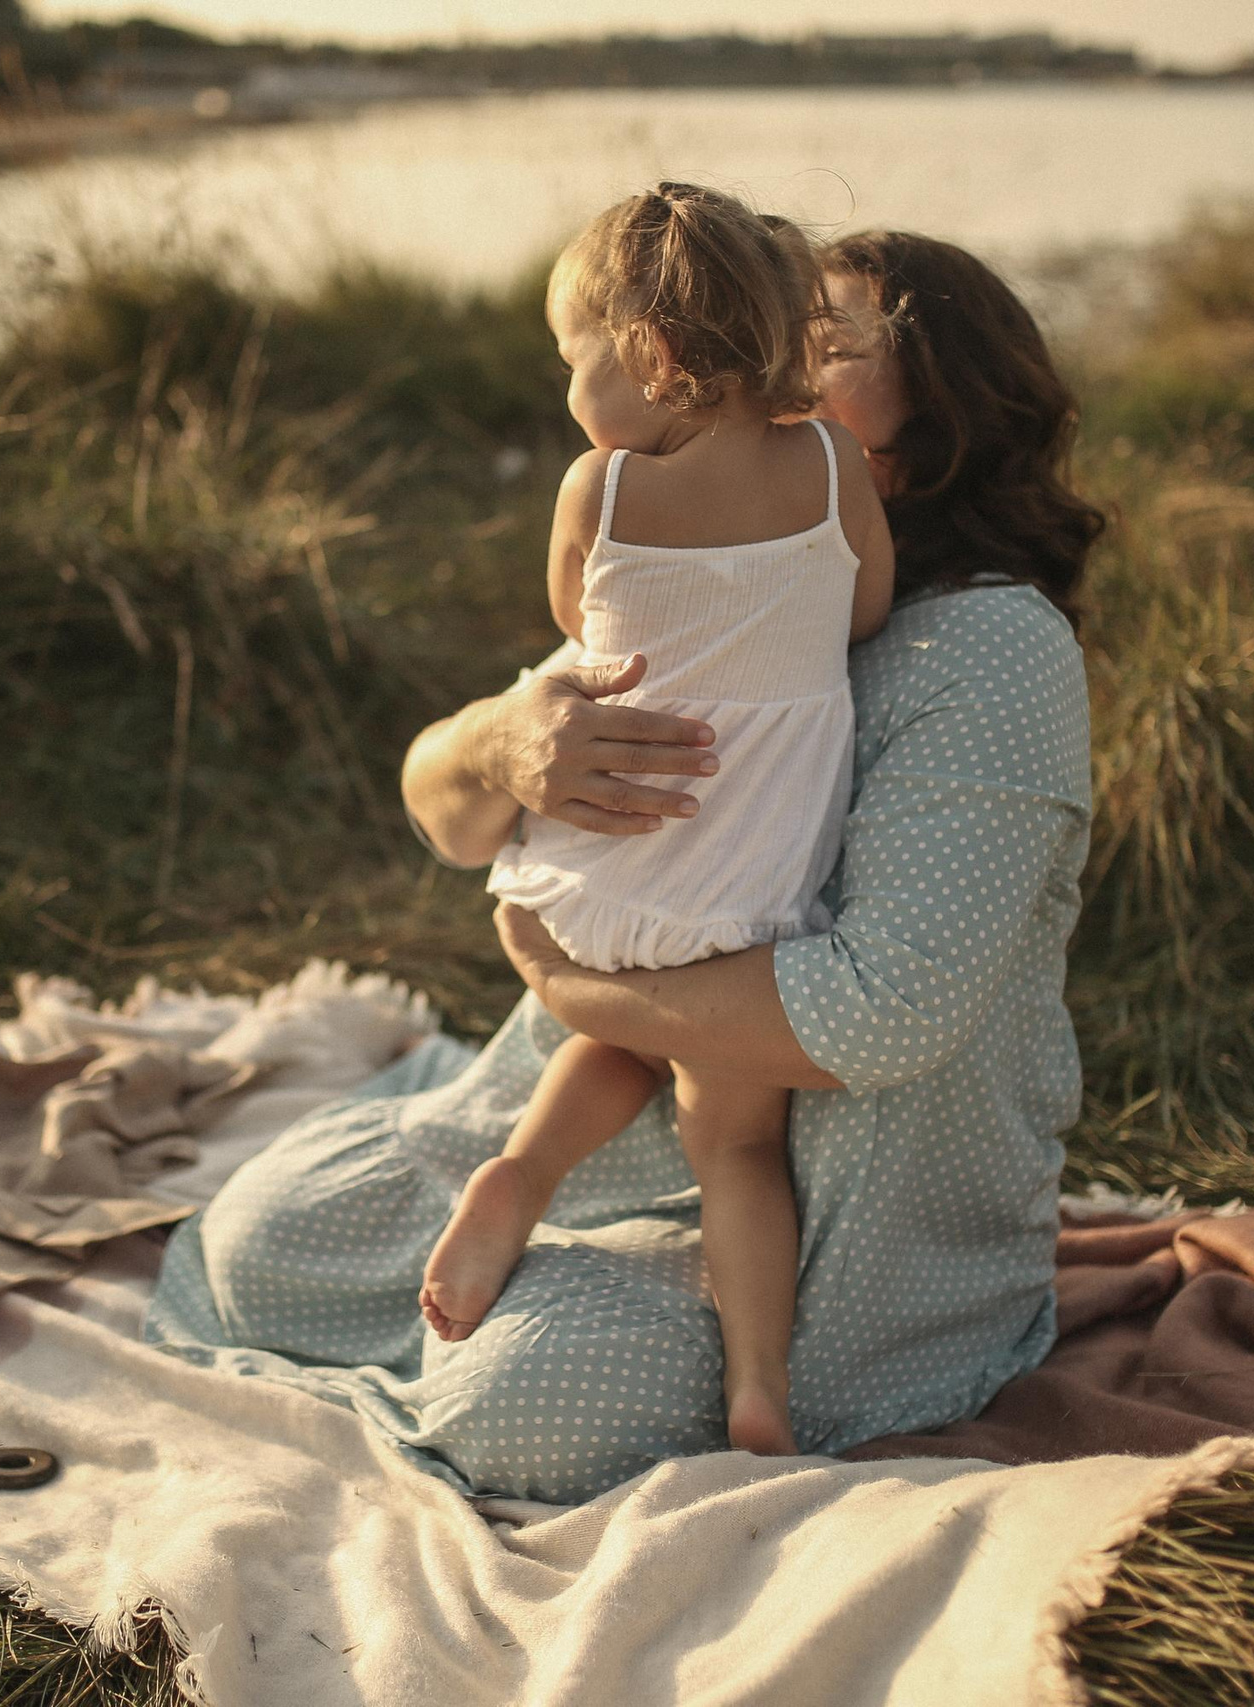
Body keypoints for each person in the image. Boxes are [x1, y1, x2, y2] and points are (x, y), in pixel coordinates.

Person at [144, 227, 1106, 1508]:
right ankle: (514, 1202)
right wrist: (504, 740)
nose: (767, 366)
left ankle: (670, 1338)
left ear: (941, 415)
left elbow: (885, 1014)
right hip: (592, 1118)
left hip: (823, 1222)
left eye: (822, 345)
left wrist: (573, 988)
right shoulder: (709, 565)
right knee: (263, 1241)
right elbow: (442, 807)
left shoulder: (988, 648)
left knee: (531, 1410)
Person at [415, 184, 896, 1463]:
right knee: (735, 1143)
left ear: (656, 358)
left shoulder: (603, 491)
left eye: (574, 357)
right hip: (744, 872)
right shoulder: (835, 461)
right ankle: (759, 1391)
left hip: (610, 853)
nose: (569, 388)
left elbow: (580, 622)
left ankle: (520, 1174)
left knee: (620, 1015)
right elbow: (863, 608)